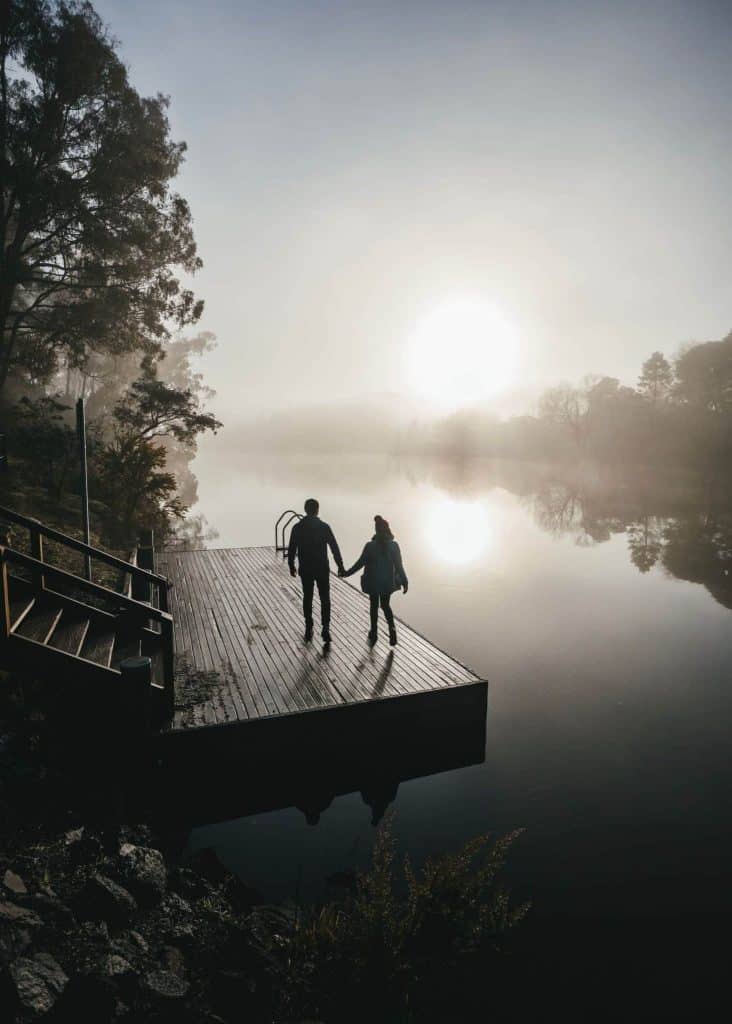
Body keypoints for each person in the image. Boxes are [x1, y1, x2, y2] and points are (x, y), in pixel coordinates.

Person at [341, 515, 408, 645]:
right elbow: (399, 566)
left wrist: (347, 573)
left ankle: (374, 631)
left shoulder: (370, 546)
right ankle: (392, 630)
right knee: (385, 606)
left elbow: (359, 564)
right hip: (387, 583)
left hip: (373, 582)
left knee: (374, 606)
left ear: (376, 530)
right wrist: (405, 581)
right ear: (387, 530)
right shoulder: (394, 546)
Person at [288, 498, 344, 643]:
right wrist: (340, 565)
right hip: (322, 568)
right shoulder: (324, 527)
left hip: (306, 568)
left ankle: (309, 626)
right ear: (317, 510)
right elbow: (334, 547)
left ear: (306, 510)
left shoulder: (297, 527)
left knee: (307, 597)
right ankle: (325, 628)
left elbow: (292, 547)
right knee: (325, 598)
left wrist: (291, 564)